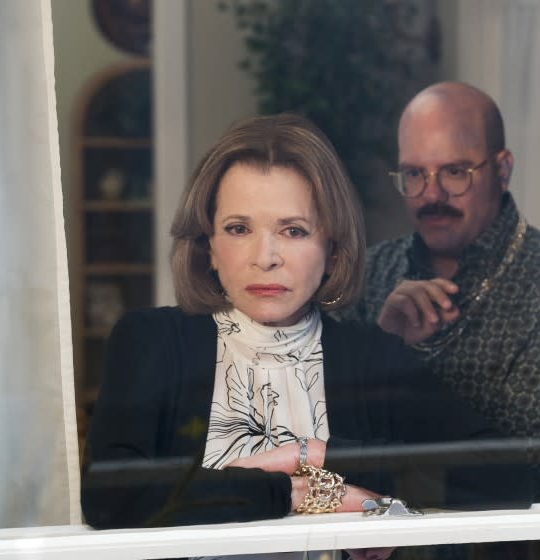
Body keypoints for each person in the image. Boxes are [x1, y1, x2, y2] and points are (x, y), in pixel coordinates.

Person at [81, 114, 408, 551]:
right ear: (208, 247)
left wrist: (307, 455)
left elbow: (501, 473)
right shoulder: (151, 341)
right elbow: (109, 497)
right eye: (239, 229)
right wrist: (294, 492)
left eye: (293, 231)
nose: (265, 257)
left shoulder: (374, 356)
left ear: (332, 250)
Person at [338, 81, 540, 508]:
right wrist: (381, 344)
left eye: (454, 171)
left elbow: (523, 471)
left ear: (502, 170)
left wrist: (393, 367)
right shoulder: (367, 276)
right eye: (414, 173)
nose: (432, 194)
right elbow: (319, 440)